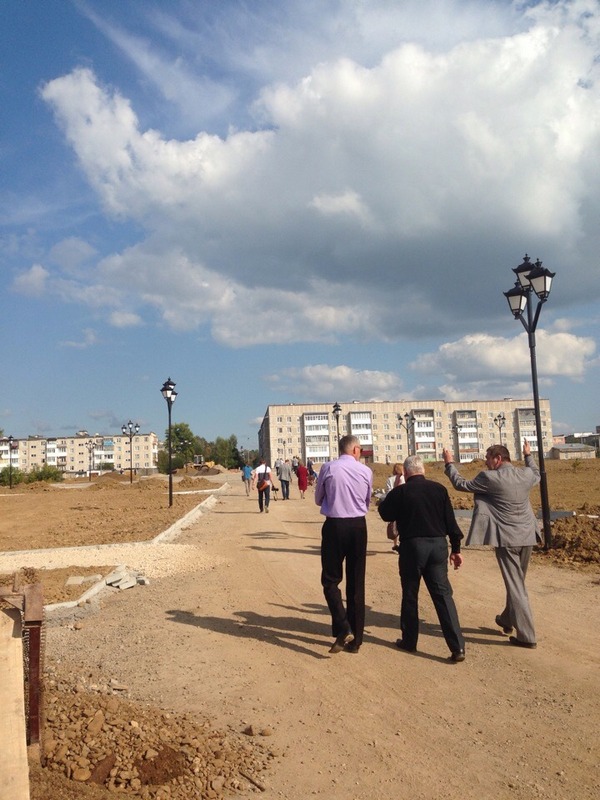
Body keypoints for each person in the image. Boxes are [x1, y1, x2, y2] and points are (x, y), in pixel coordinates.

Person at [443, 439, 540, 649]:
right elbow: (536, 473)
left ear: (497, 458)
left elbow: (461, 484)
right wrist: (528, 455)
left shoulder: (489, 478)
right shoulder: (525, 474)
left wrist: (449, 464)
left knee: (516, 586)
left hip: (507, 539)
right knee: (517, 583)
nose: (485, 462)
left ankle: (527, 636)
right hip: (528, 536)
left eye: (488, 458)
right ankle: (507, 619)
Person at [378, 454, 465, 662]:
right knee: (443, 596)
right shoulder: (439, 489)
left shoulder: (401, 491)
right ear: (423, 470)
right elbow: (451, 522)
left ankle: (409, 641)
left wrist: (395, 489)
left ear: (406, 473)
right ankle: (458, 647)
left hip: (412, 547)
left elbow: (385, 513)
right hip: (438, 546)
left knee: (410, 594)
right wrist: (456, 549)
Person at [315, 435, 373, 654]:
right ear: (356, 450)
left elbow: (318, 499)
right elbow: (367, 501)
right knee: (356, 583)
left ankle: (343, 625)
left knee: (330, 580)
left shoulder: (328, 468)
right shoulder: (365, 471)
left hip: (335, 526)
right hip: (358, 526)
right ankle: (356, 640)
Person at [384, 463, 405, 552]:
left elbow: (388, 492)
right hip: (404, 504)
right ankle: (402, 543)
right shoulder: (405, 479)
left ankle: (395, 544)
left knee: (394, 525)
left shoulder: (390, 479)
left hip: (393, 504)